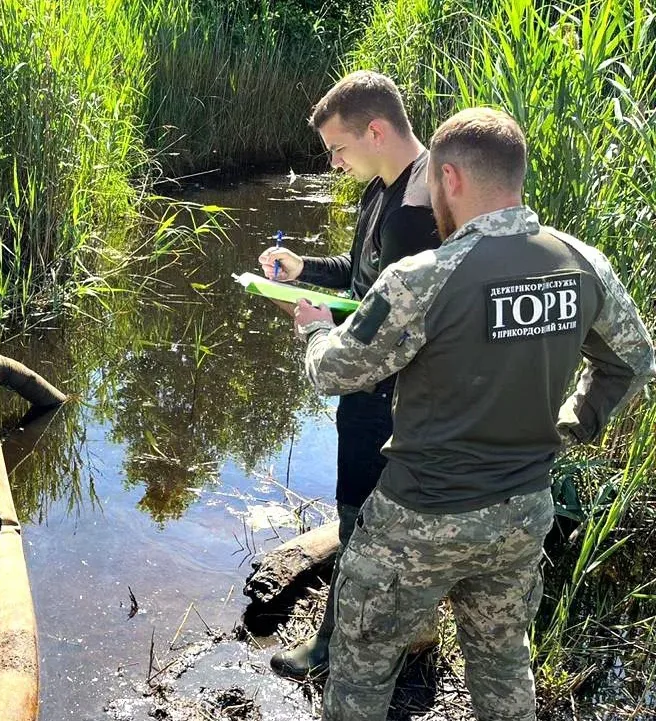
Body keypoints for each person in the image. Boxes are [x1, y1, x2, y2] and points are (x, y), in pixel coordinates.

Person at [292, 107, 655, 721]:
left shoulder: (422, 278)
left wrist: (315, 333)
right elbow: (635, 361)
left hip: (419, 516)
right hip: (520, 512)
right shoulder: (583, 263)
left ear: (450, 178)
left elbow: (336, 373)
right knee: (503, 661)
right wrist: (571, 425)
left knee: (362, 664)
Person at [257, 70, 440, 679]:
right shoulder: (383, 191)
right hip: (377, 382)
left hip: (382, 392)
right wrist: (302, 266)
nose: (333, 163)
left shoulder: (415, 214)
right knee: (389, 515)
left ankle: (332, 646)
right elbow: (364, 280)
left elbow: (390, 326)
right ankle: (415, 632)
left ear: (377, 130)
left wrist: (316, 327)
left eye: (338, 148)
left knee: (357, 511)